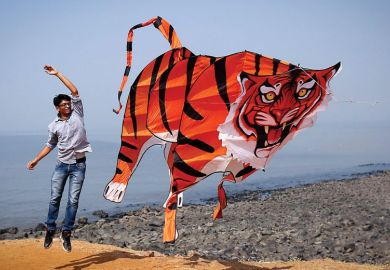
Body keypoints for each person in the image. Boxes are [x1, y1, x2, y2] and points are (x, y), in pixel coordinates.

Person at [27, 65, 92, 252]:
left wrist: (57, 74)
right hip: (61, 166)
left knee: (73, 201)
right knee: (55, 199)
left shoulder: (78, 113)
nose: (68, 105)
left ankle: (67, 233)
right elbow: (50, 145)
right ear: (57, 108)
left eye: (68, 103)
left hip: (79, 166)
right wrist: (36, 159)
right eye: (64, 104)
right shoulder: (53, 126)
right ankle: (50, 228)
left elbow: (75, 91)